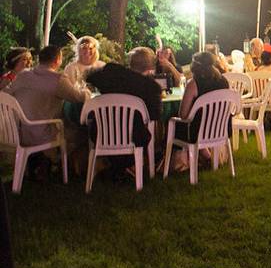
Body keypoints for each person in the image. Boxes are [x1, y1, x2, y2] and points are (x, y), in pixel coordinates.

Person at [6, 45, 87, 179]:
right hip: (44, 133)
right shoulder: (57, 79)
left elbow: (6, 93)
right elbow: (78, 98)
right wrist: (87, 91)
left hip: (18, 131)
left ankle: (43, 161)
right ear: (58, 60)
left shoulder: (23, 75)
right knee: (81, 132)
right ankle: (57, 163)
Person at [86, 47, 163, 180]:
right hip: (133, 136)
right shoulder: (151, 87)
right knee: (144, 132)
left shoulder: (111, 72)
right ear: (151, 66)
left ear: (130, 62)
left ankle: (118, 167)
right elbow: (155, 115)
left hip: (101, 133)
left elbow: (90, 76)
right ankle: (128, 166)